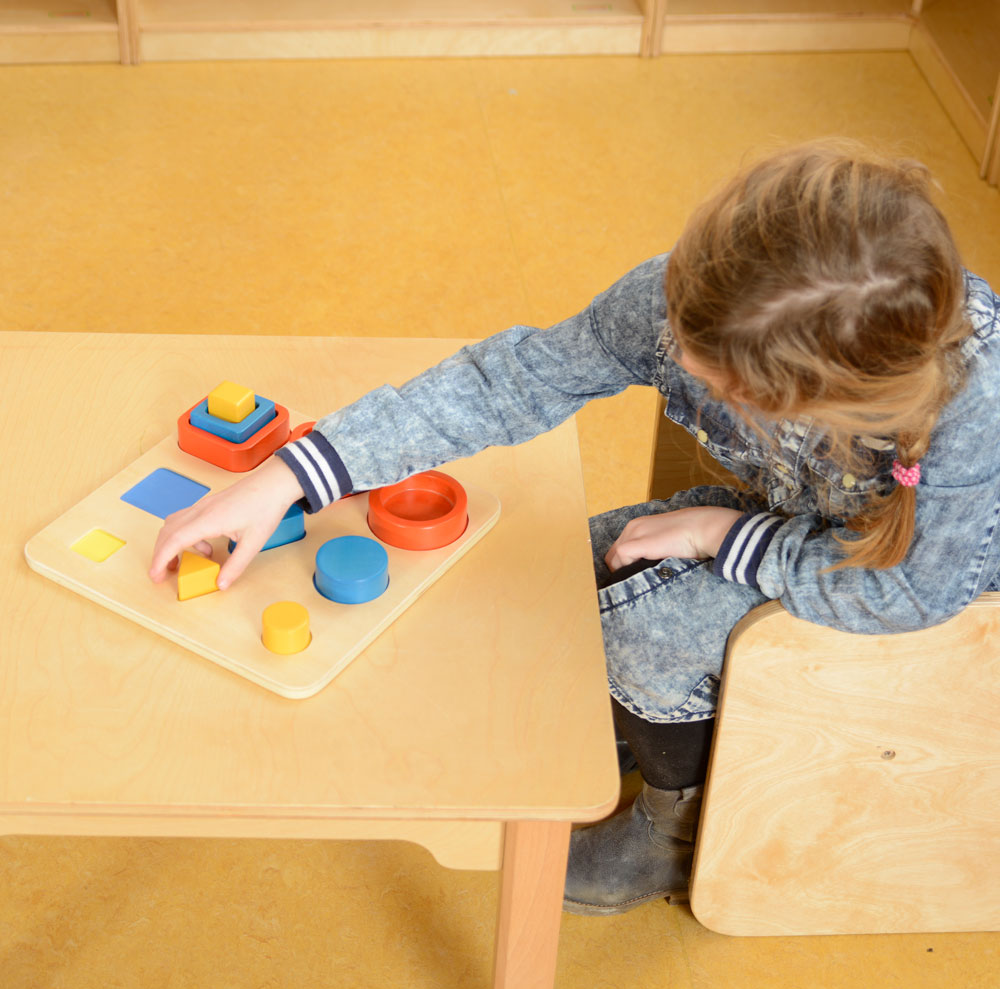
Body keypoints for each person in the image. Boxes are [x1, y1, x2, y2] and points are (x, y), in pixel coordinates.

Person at [150, 142, 1000, 916]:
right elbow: (514, 379)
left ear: (816, 403)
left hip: (934, 600)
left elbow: (913, 592)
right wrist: (292, 473)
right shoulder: (695, 299)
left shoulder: (969, 418)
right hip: (815, 526)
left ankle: (678, 827)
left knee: (644, 631)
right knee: (583, 566)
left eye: (722, 384)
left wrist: (716, 536)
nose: (676, 354)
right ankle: (662, 730)